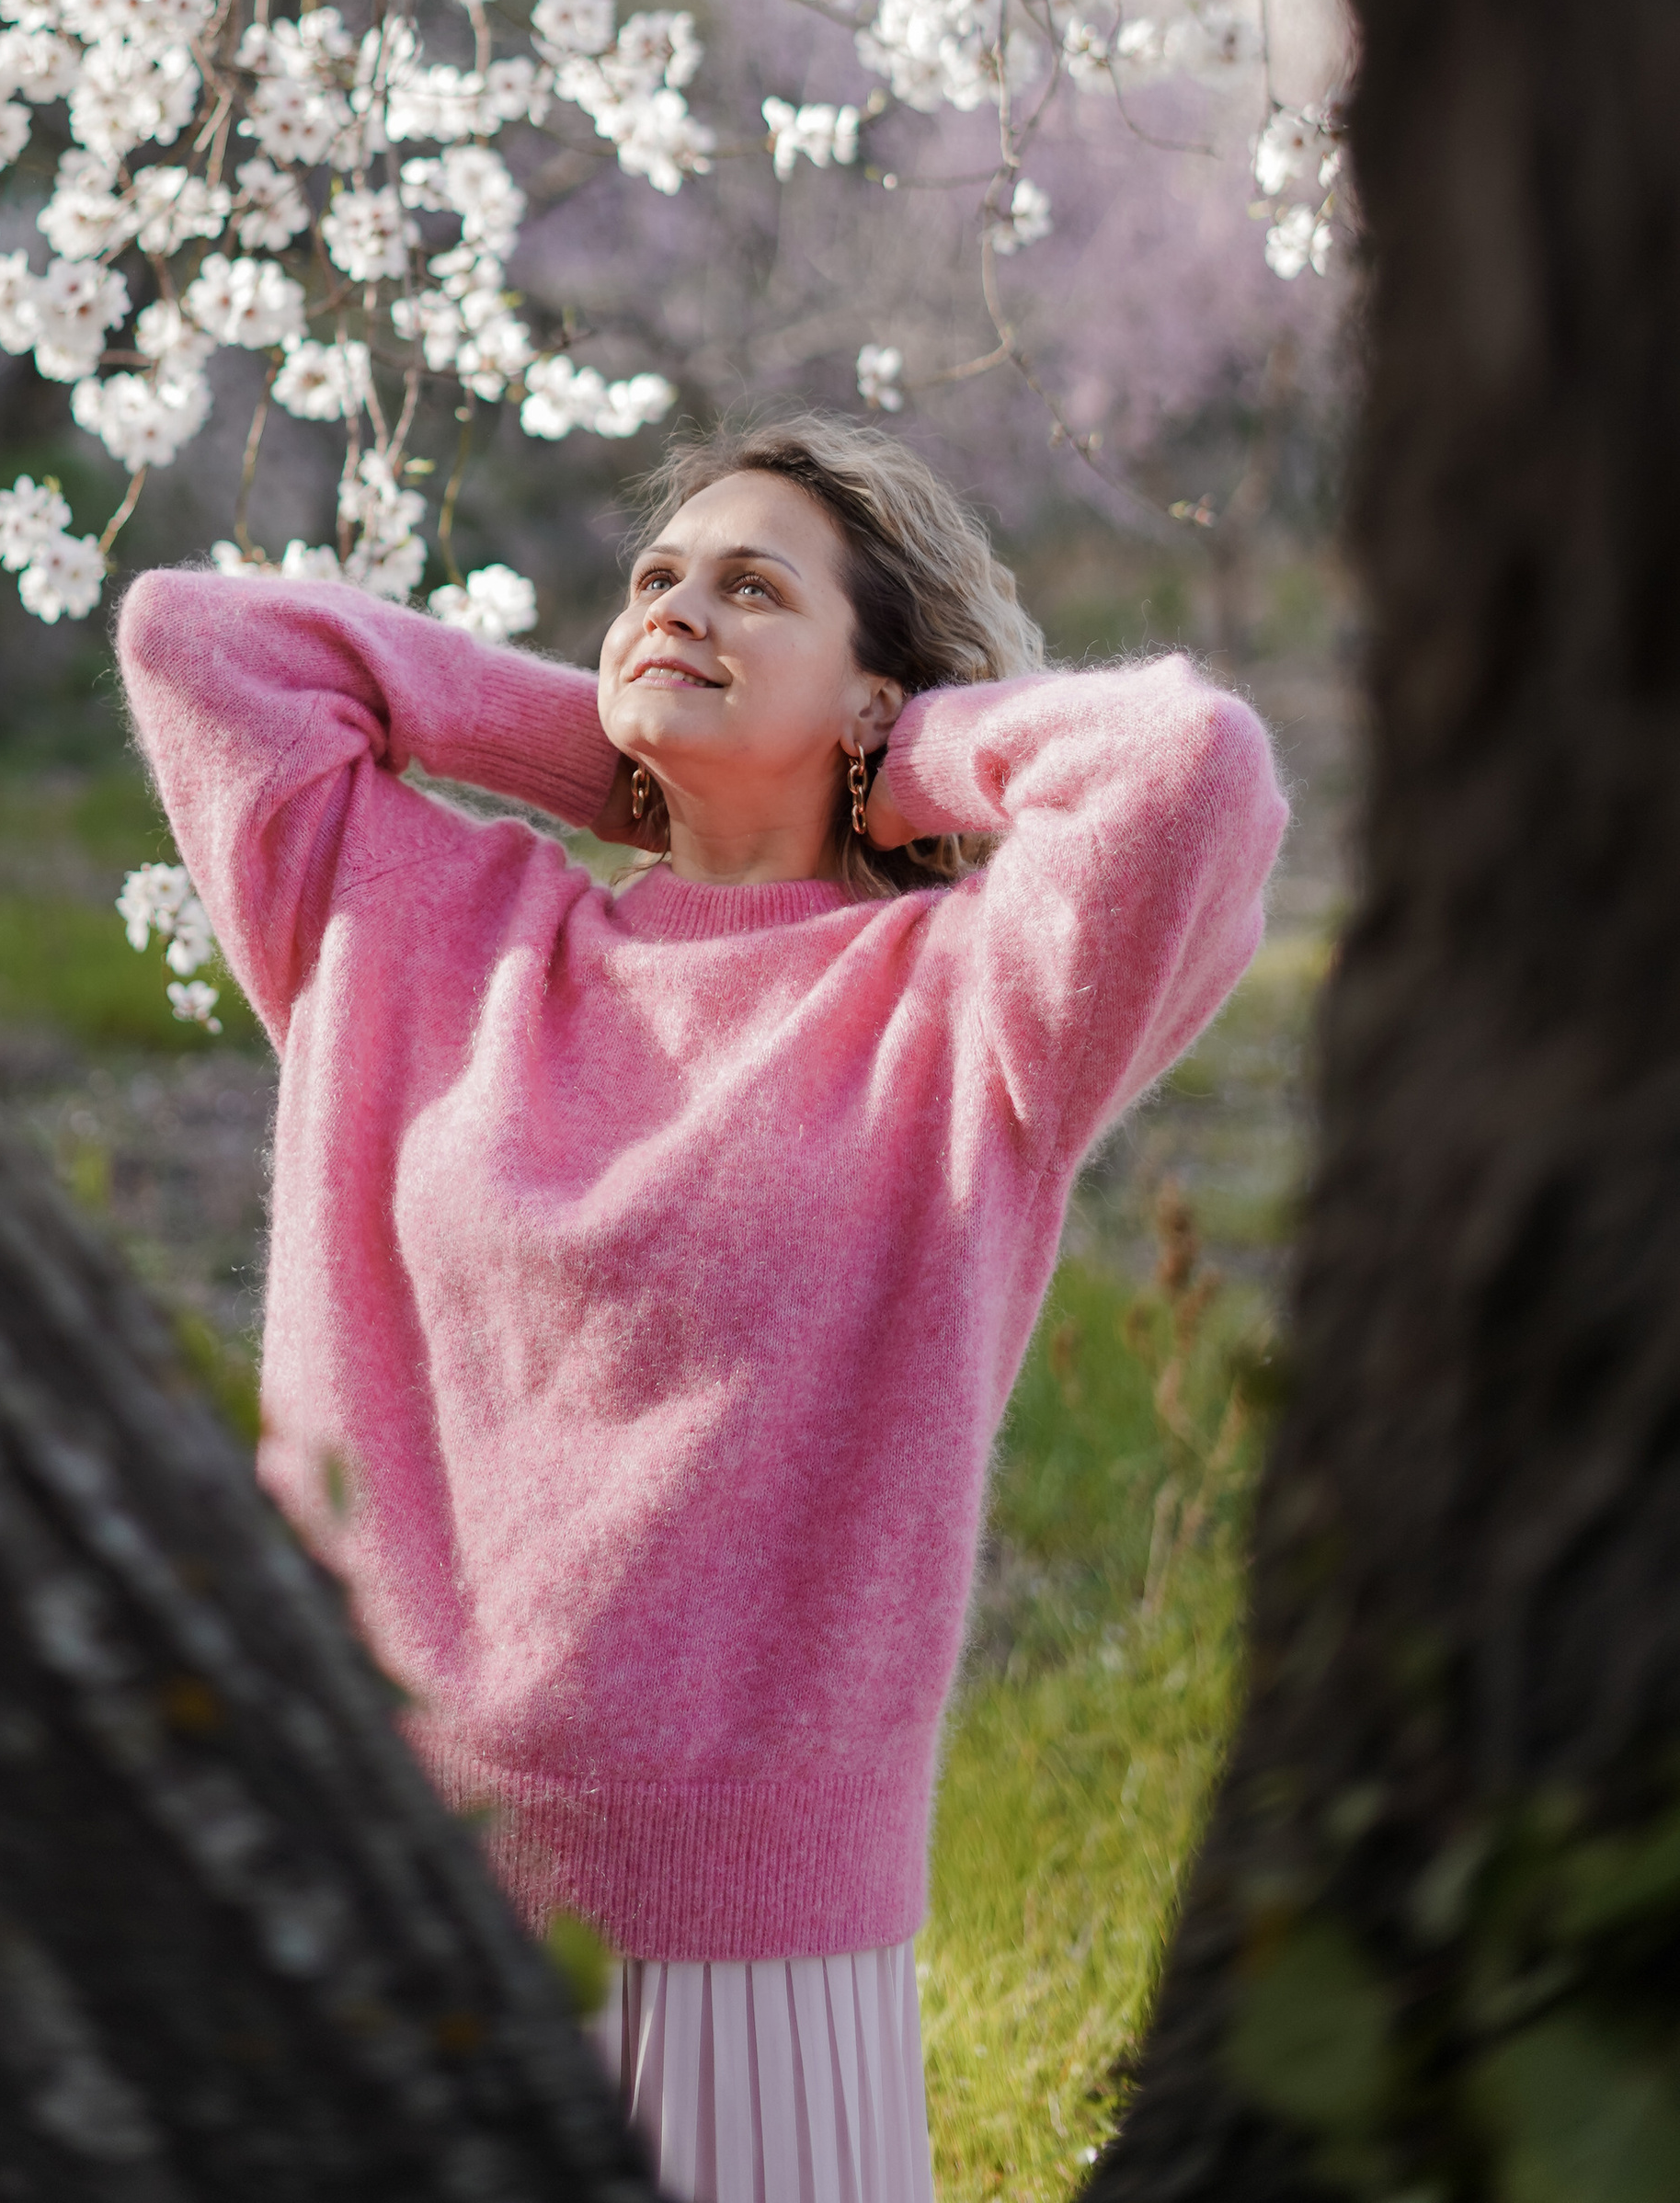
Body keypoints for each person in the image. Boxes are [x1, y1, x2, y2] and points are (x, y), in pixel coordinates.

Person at [116, 412, 1287, 2203]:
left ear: (876, 694)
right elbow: (197, 640)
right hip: (374, 1863)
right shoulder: (430, 937)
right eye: (651, 582)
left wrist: (895, 762)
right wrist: (611, 753)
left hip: (751, 1932)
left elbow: (1188, 766)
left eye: (753, 589)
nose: (676, 608)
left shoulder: (968, 1006)